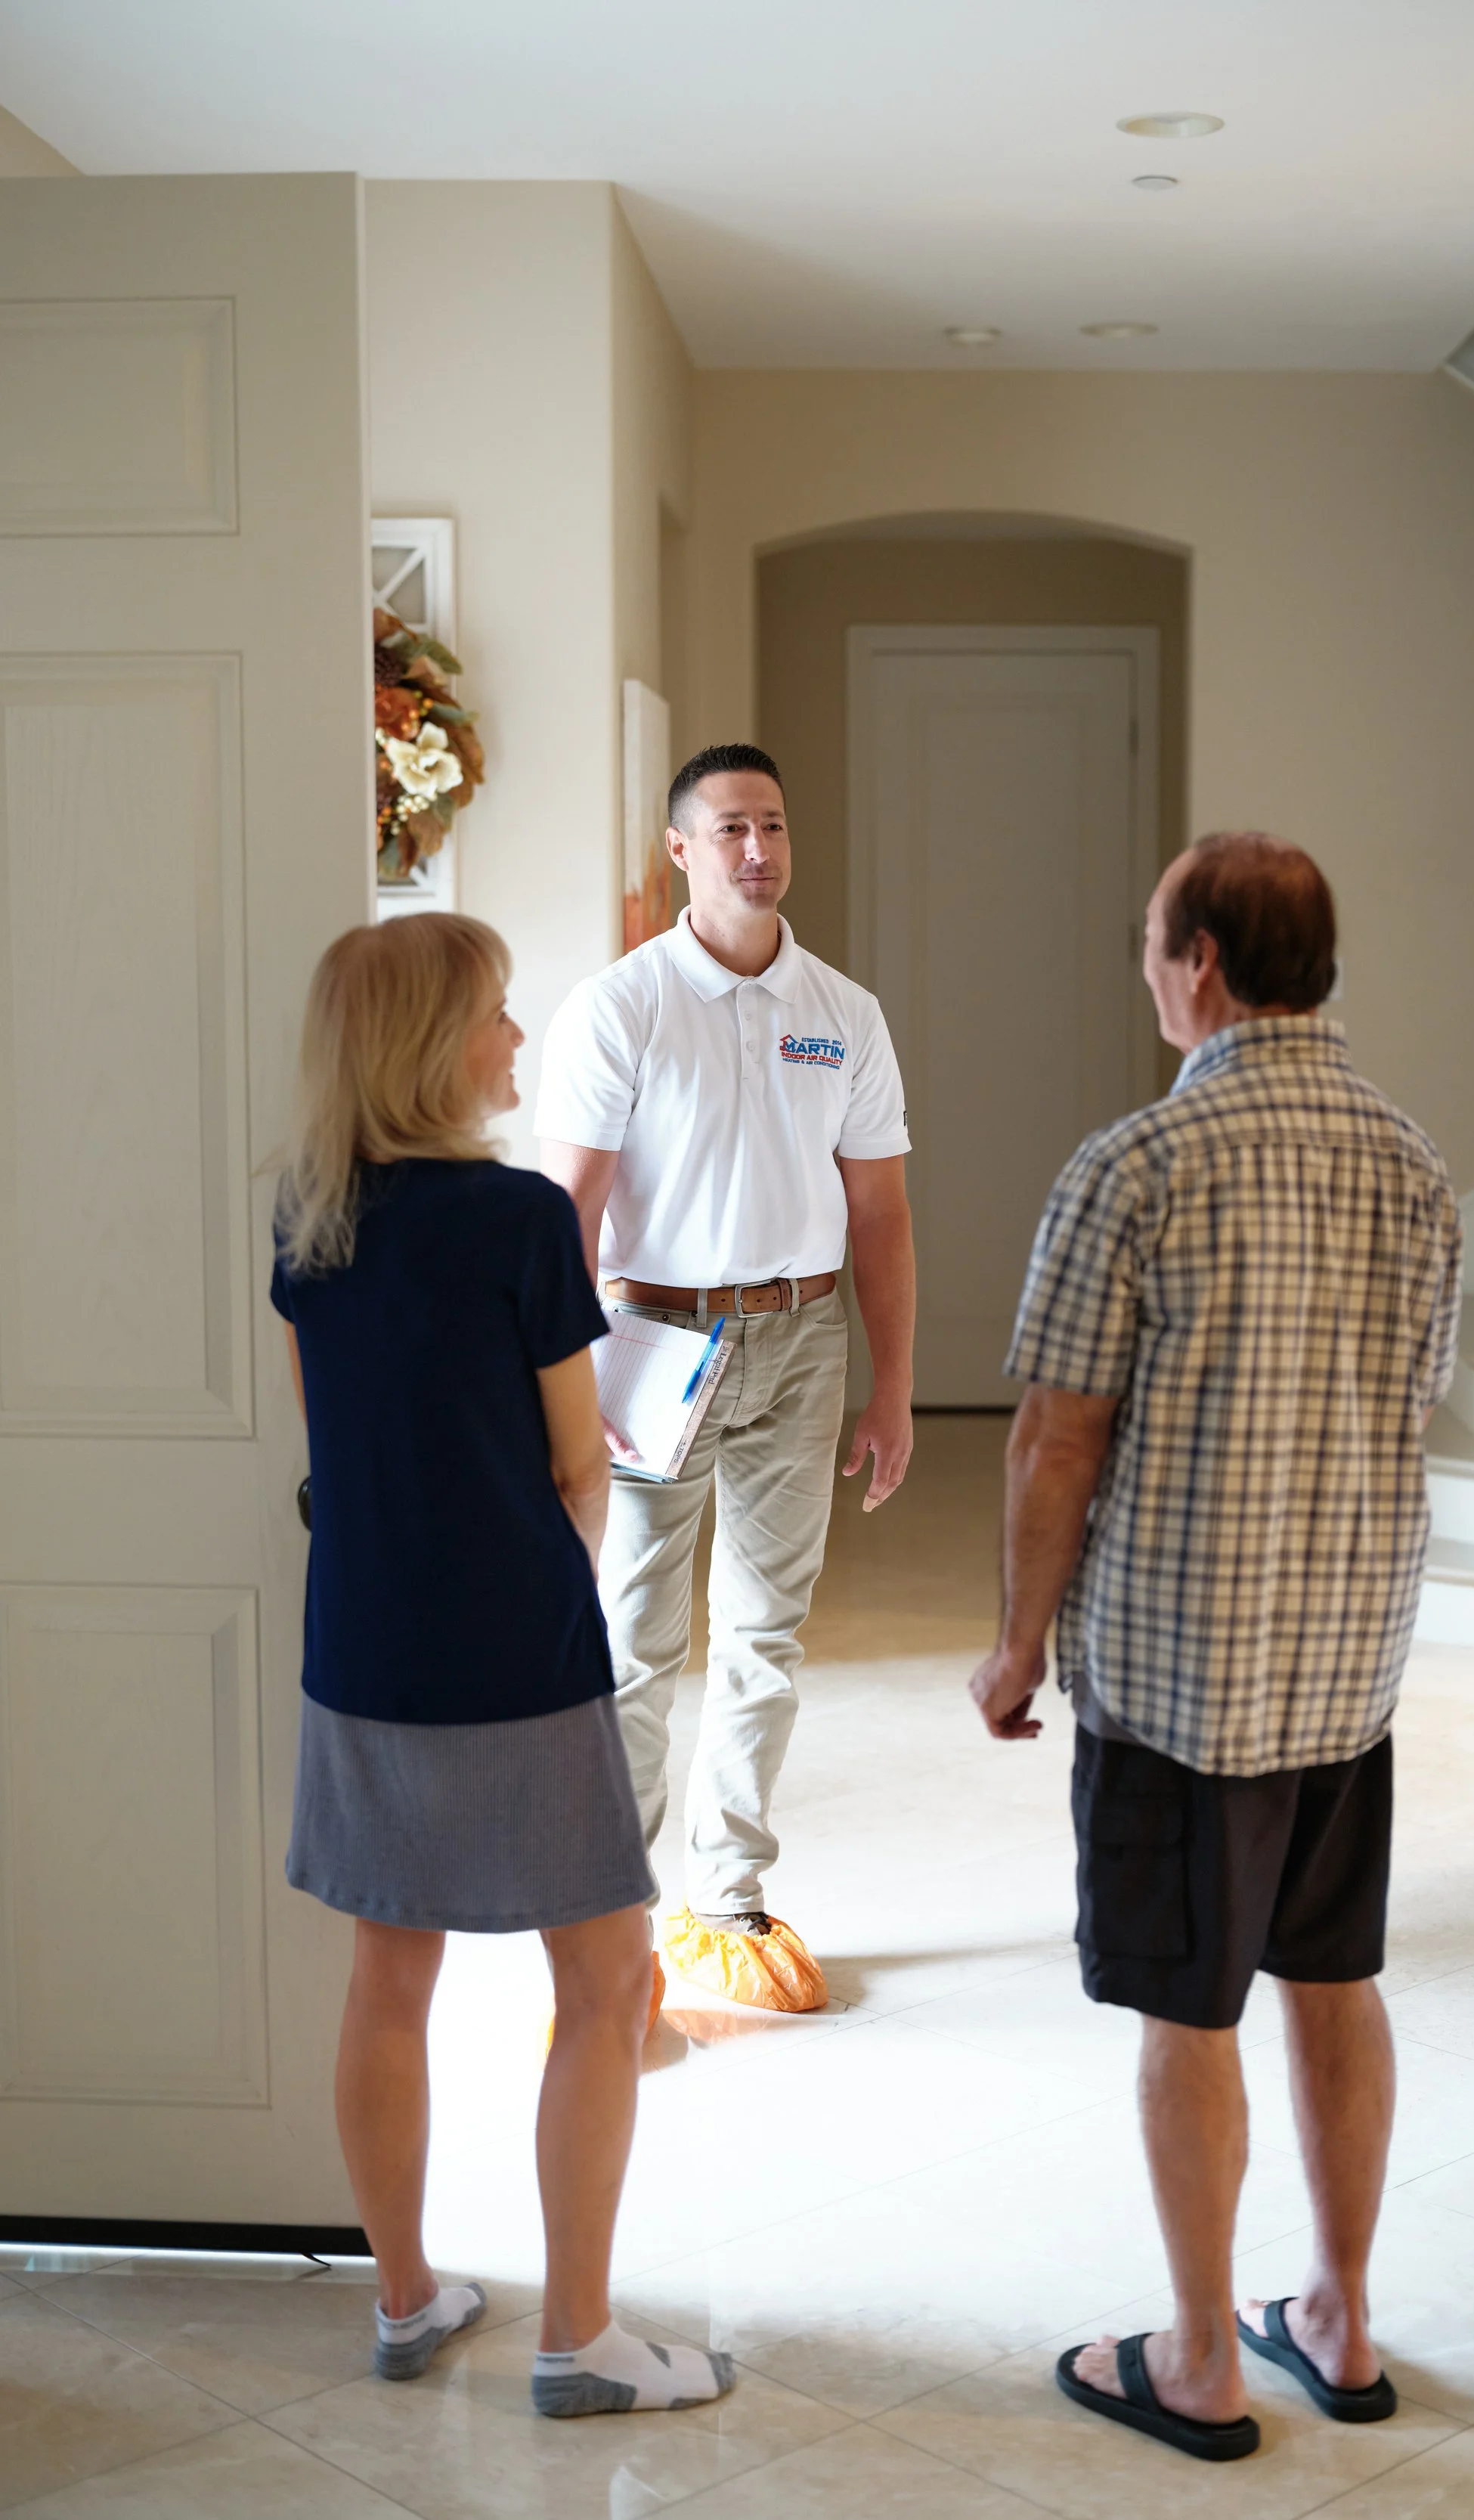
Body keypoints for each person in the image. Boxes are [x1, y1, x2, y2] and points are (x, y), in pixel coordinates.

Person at [969, 835, 1461, 2465]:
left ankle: (1193, 2354)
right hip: (1347, 1665)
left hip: (1183, 1680)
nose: (1144, 964)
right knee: (1334, 1980)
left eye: (1148, 941)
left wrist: (1015, 1642)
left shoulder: (1135, 1166)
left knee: (1187, 2009)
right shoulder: (1412, 1160)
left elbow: (1054, 1438)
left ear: (1197, 966)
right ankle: (1337, 2309)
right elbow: (1410, 1394)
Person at [272, 912, 734, 2420]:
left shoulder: (306, 1214)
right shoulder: (522, 1219)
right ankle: (578, 2338)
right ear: (424, 1046)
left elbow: (330, 1446)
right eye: (494, 1015)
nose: (516, 1042)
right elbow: (571, 1464)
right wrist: (570, 1529)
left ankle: (405, 2301)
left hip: (360, 1638)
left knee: (384, 1979)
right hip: (514, 1651)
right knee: (605, 1980)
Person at [538, 742, 915, 2012]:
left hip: (803, 1341)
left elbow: (883, 1216)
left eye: (774, 824)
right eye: (731, 829)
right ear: (681, 852)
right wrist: (559, 1390)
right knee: (637, 1639)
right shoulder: (622, 1007)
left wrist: (894, 1386)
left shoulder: (842, 1014)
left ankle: (730, 1899)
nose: (758, 849)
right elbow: (567, 1218)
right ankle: (615, 1915)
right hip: (648, 1344)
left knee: (766, 1632)